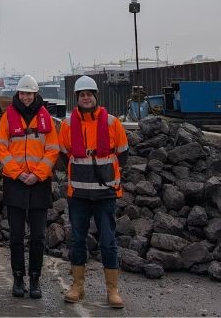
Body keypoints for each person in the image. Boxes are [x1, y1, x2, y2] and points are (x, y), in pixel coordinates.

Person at [59, 76, 128, 309]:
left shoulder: (111, 122)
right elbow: (63, 154)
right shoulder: (68, 125)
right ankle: (77, 286)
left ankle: (112, 290)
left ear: (95, 96)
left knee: (108, 241)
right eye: (82, 95)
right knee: (78, 240)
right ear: (77, 98)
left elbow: (123, 154)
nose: (86, 98)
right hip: (78, 193)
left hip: (105, 193)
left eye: (89, 94)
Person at [0, 74, 60, 299]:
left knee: (38, 236)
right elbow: (1, 148)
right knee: (16, 235)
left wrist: (38, 174)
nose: (26, 97)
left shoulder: (45, 118)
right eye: (23, 93)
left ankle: (34, 278)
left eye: (29, 94)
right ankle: (18, 278)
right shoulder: (7, 117)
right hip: (15, 182)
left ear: (35, 94)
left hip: (39, 183)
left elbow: (53, 149)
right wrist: (18, 173)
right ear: (18, 93)